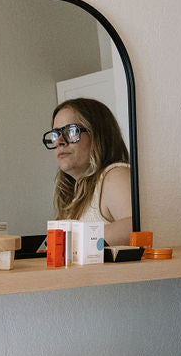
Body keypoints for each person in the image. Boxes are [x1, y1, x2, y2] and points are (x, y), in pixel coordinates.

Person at [43, 97, 132, 247]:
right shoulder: (73, 192)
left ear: (98, 135)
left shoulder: (115, 176)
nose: (59, 141)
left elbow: (137, 226)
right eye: (55, 134)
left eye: (71, 131)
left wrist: (70, 242)